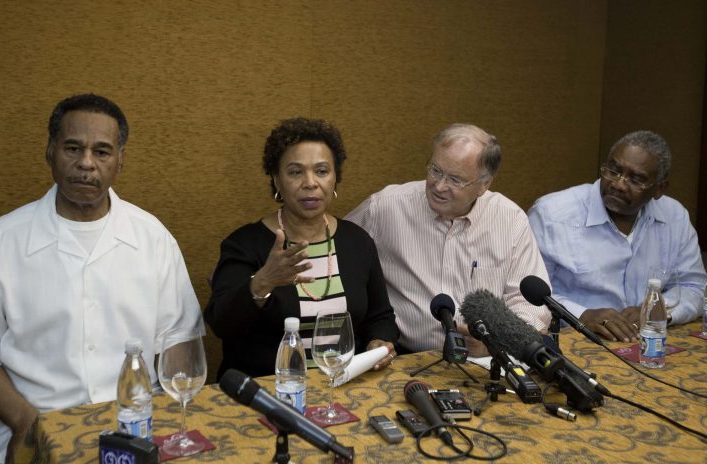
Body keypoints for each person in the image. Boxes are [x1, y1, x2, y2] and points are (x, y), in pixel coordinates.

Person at [0, 94, 202, 463]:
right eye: (73, 148)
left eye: (102, 151)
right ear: (50, 151)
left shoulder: (153, 239)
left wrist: (167, 411)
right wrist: (25, 421)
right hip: (32, 418)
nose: (86, 163)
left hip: (136, 417)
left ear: (120, 160)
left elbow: (179, 340)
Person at [205, 117, 399, 380]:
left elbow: (381, 316)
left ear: (335, 179)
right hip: (269, 389)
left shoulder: (357, 241)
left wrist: (380, 341)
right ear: (277, 181)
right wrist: (263, 282)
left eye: (322, 171)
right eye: (296, 172)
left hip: (345, 385)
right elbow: (221, 323)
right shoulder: (245, 244)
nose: (310, 183)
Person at [346, 123, 551, 356]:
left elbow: (530, 305)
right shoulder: (385, 208)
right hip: (408, 358)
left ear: (484, 185)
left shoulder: (509, 219)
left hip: (486, 359)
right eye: (435, 170)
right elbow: (336, 248)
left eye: (455, 179)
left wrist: (496, 342)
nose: (439, 185)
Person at [528, 130, 707, 343]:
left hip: (648, 341)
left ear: (659, 189)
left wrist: (656, 310)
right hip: (575, 340)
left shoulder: (675, 217)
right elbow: (527, 294)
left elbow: (694, 287)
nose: (619, 184)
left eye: (636, 180)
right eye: (613, 171)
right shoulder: (551, 215)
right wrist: (581, 315)